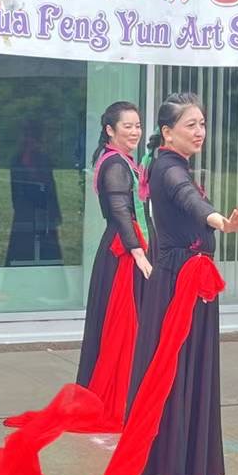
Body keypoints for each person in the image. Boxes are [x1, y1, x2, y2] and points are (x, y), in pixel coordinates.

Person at [129, 94, 238, 475]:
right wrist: (220, 222)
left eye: (202, 124)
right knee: (175, 373)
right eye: (190, 125)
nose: (199, 132)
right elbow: (188, 199)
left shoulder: (171, 164)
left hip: (188, 281)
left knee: (184, 370)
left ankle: (171, 468)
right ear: (167, 132)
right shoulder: (169, 168)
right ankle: (166, 474)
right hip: (178, 284)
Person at [76, 101, 152, 392]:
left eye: (138, 125)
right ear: (110, 130)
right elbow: (120, 209)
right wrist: (137, 250)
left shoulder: (122, 160)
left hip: (127, 245)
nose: (135, 131)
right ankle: (118, 393)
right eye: (127, 126)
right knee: (123, 324)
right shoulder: (115, 163)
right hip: (123, 251)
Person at [6, 122, 63, 266]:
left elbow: (50, 185)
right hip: (25, 210)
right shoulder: (18, 159)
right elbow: (16, 189)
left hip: (44, 209)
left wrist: (54, 212)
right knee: (22, 248)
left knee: (47, 249)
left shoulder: (43, 159)